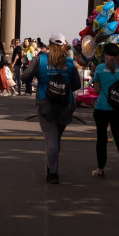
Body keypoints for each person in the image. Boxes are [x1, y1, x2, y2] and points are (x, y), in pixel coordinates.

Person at [21, 32, 82, 184]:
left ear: (49, 44)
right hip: (65, 104)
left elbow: (24, 77)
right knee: (55, 137)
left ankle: (53, 172)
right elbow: (76, 85)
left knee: (51, 137)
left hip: (45, 103)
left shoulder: (40, 60)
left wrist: (39, 78)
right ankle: (51, 166)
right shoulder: (69, 63)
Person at [91, 42, 119, 184]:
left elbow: (97, 91)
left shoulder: (99, 68)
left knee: (101, 139)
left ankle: (100, 168)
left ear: (105, 54)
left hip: (102, 108)